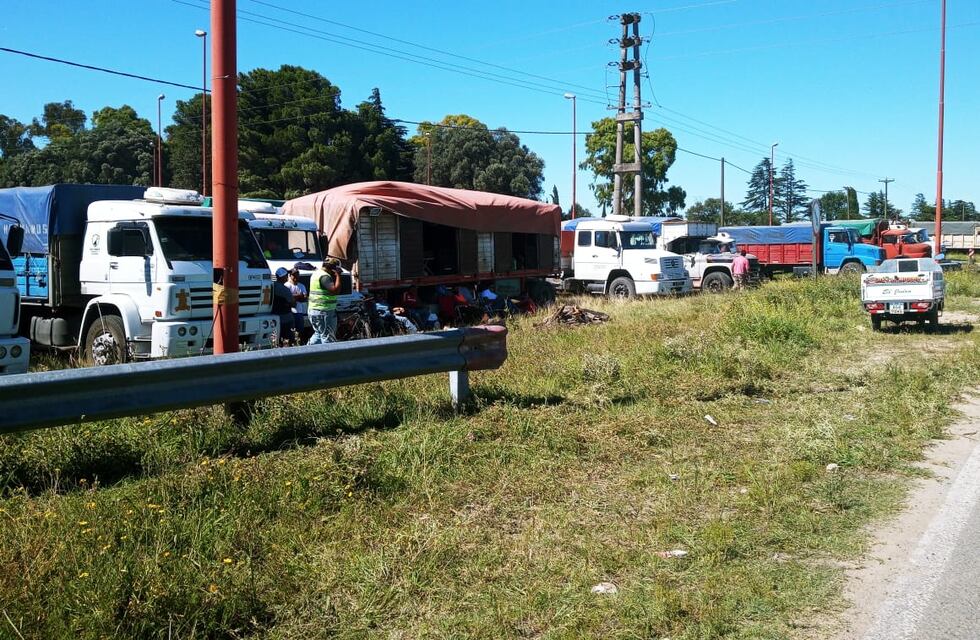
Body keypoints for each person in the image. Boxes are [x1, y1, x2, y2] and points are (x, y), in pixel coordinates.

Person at [308, 258, 343, 344]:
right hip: (324, 312)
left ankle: (306, 352)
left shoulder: (316, 274)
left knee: (318, 334)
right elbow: (335, 291)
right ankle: (330, 356)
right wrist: (338, 275)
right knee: (328, 337)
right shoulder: (325, 277)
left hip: (313, 310)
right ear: (333, 268)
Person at [271, 267, 296, 345]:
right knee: (289, 339)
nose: (288, 276)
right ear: (283, 277)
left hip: (274, 317)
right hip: (286, 318)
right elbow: (293, 303)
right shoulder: (285, 290)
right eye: (287, 275)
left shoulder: (272, 285)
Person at [286, 267, 308, 343]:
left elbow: (305, 298)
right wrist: (299, 296)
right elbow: (288, 298)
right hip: (290, 312)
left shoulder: (301, 286)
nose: (295, 277)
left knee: (300, 331)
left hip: (300, 312)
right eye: (294, 275)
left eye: (297, 275)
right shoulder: (286, 285)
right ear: (290, 275)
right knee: (291, 332)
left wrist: (295, 297)